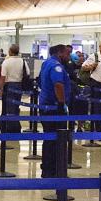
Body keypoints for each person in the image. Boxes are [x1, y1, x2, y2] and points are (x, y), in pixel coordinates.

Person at [38, 43, 73, 186]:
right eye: (67, 53)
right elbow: (58, 85)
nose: (68, 56)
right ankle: (54, 171)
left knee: (49, 140)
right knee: (56, 140)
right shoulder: (56, 66)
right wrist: (61, 103)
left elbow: (40, 81)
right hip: (54, 109)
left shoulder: (47, 63)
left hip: (46, 106)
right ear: (60, 53)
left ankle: (47, 170)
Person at [0, 43, 30, 134]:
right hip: (19, 86)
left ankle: (9, 128)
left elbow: (3, 77)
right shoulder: (23, 61)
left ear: (10, 51)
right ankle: (15, 126)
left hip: (9, 86)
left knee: (8, 108)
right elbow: (28, 73)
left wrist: (0, 88)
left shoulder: (6, 62)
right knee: (15, 106)